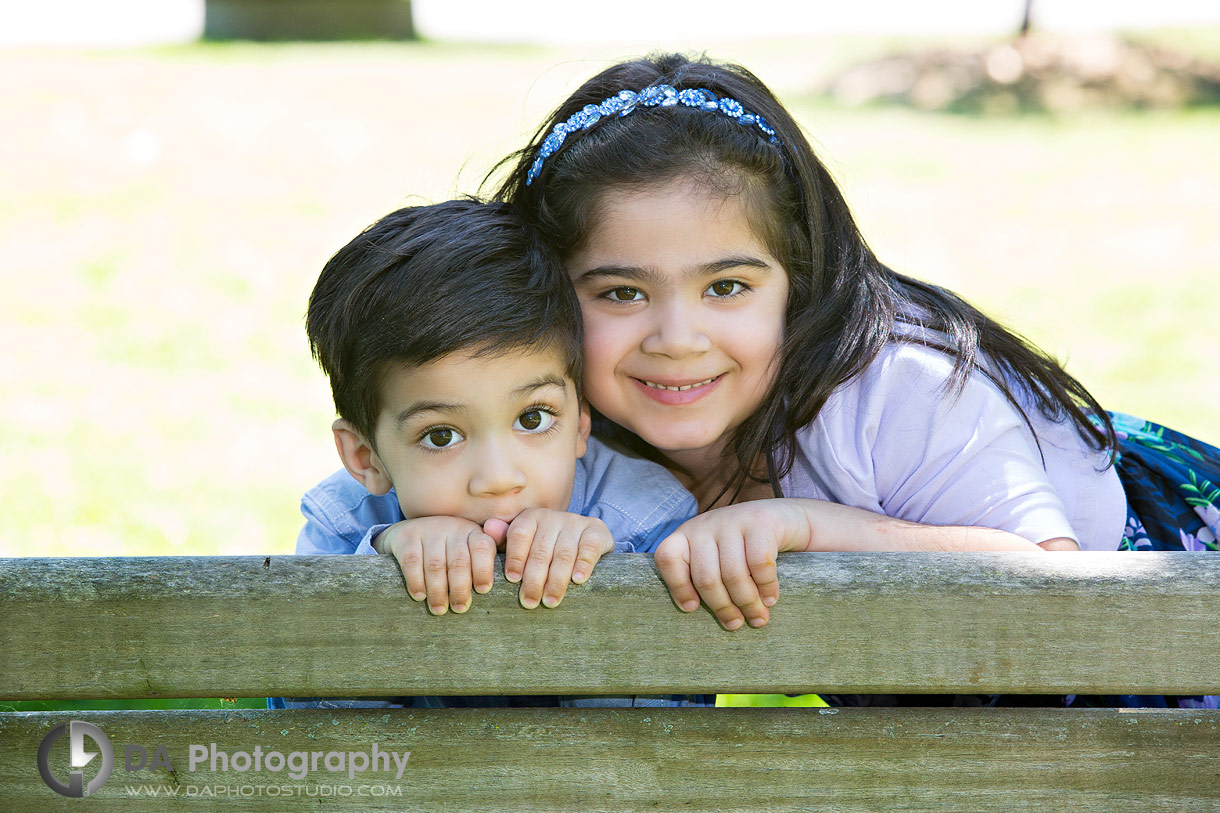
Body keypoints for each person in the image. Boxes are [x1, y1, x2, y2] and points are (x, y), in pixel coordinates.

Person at [489, 53, 1218, 708]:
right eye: (620, 293)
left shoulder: (899, 391)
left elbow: (1049, 588)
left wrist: (803, 526)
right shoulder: (541, 412)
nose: (677, 339)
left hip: (1146, 651)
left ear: (796, 282)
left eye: (728, 286)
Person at [281, 198, 711, 710]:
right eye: (441, 436)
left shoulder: (646, 520)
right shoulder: (343, 524)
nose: (498, 478)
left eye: (533, 419)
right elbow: (321, 734)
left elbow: (664, 739)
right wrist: (379, 566)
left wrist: (604, 583)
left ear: (580, 425)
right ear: (365, 458)